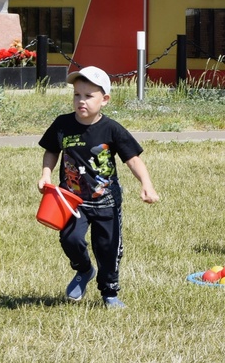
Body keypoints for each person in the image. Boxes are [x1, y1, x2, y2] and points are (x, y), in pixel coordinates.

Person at [38, 66, 159, 309]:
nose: (81, 101)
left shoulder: (112, 129)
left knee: (108, 248)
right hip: (71, 200)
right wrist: (46, 174)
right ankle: (83, 270)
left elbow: (133, 159)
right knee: (70, 238)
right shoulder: (62, 124)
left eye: (88, 96)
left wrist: (147, 185)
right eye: (77, 95)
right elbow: (52, 150)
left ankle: (110, 293)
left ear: (104, 100)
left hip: (107, 202)